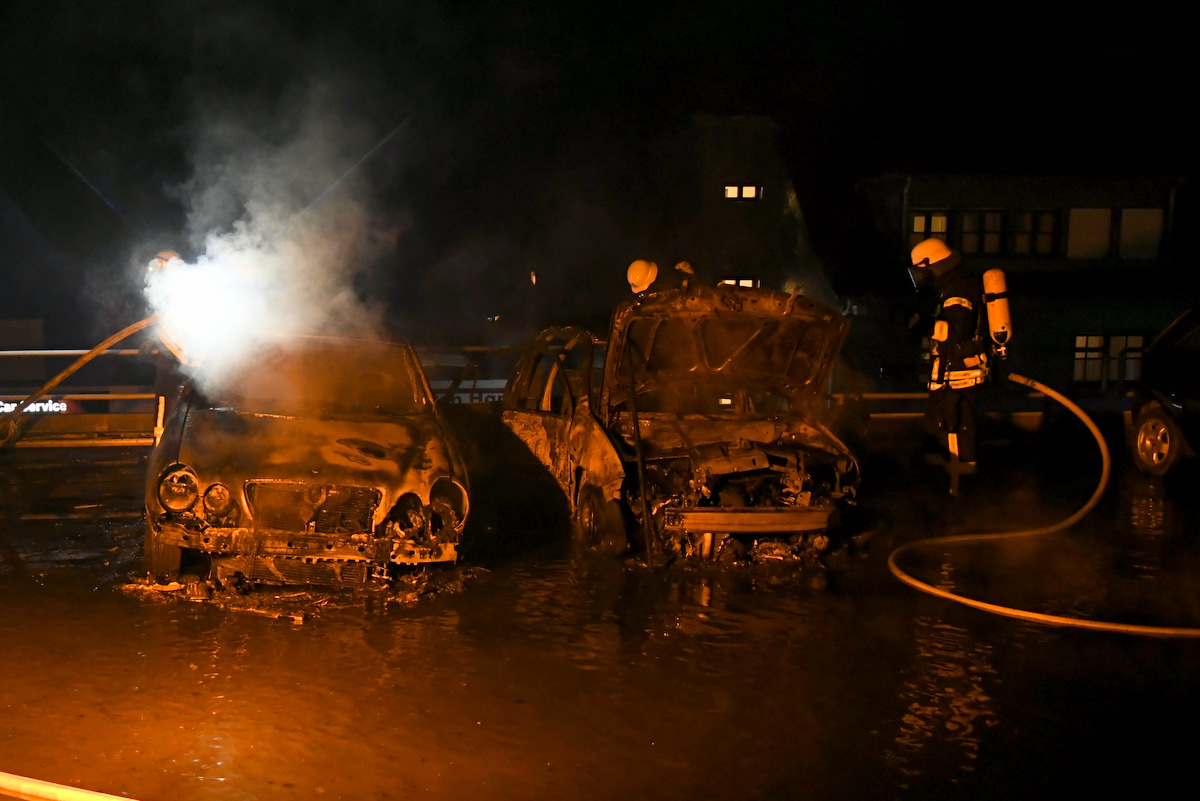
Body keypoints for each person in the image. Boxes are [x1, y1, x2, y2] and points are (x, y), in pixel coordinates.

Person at [906, 238, 988, 495]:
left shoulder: (957, 287)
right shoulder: (949, 287)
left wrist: (919, 324)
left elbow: (955, 331)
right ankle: (941, 487)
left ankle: (958, 492)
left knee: (953, 429)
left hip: (959, 376)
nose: (920, 277)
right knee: (938, 428)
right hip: (950, 375)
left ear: (932, 264)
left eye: (921, 270)